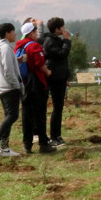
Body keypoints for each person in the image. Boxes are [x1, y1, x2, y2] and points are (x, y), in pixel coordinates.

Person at [0, 22, 24, 157]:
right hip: (9, 87)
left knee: (9, 116)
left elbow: (6, 65)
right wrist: (17, 85)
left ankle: (5, 148)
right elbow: (8, 71)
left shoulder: (0, 48)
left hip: (2, 87)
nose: (15, 34)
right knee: (13, 115)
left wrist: (17, 61)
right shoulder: (6, 48)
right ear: (7, 33)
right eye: (13, 31)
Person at [15, 21, 52, 153]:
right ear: (31, 33)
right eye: (36, 32)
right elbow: (39, 64)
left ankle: (27, 145)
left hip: (24, 83)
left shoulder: (18, 46)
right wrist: (48, 72)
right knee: (40, 114)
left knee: (26, 114)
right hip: (36, 82)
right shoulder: (34, 46)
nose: (37, 35)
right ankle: (43, 144)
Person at [40, 17, 72, 147]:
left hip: (60, 77)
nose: (64, 29)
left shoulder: (53, 40)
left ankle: (57, 135)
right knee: (57, 107)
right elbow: (62, 54)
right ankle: (54, 137)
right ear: (57, 29)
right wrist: (67, 41)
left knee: (59, 107)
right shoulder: (50, 42)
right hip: (55, 78)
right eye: (62, 27)